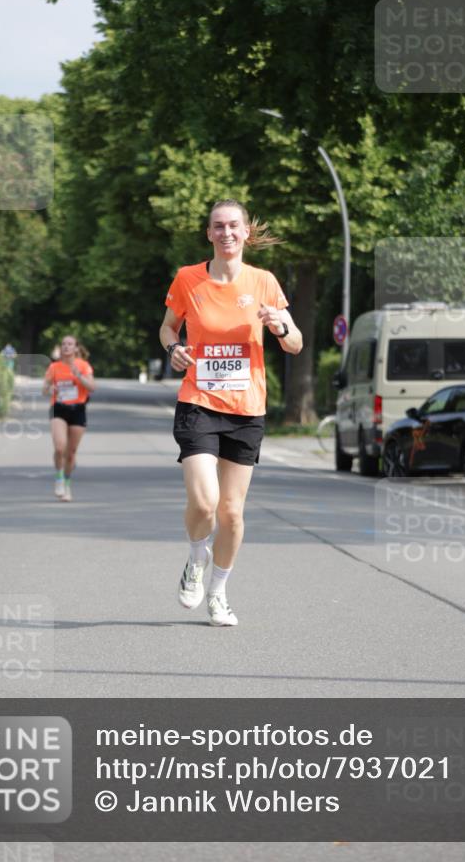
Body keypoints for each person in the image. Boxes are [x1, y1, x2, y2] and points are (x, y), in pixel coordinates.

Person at [159, 199, 303, 627]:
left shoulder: (263, 282)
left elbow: (294, 343)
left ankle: (218, 594)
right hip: (198, 402)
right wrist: (174, 349)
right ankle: (195, 559)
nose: (226, 233)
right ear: (209, 234)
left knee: (232, 513)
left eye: (233, 226)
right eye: (218, 226)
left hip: (246, 409)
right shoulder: (188, 279)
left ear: (245, 233)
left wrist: (278, 324)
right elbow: (168, 326)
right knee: (205, 503)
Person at [42, 335, 95, 502]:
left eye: (70, 344)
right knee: (59, 448)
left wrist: (79, 376)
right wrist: (49, 389)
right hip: (58, 408)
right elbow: (44, 388)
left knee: (71, 453)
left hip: (78, 410)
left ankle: (67, 484)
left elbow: (92, 387)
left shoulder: (83, 366)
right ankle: (58, 478)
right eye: (63, 344)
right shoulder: (54, 367)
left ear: (76, 348)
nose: (66, 347)